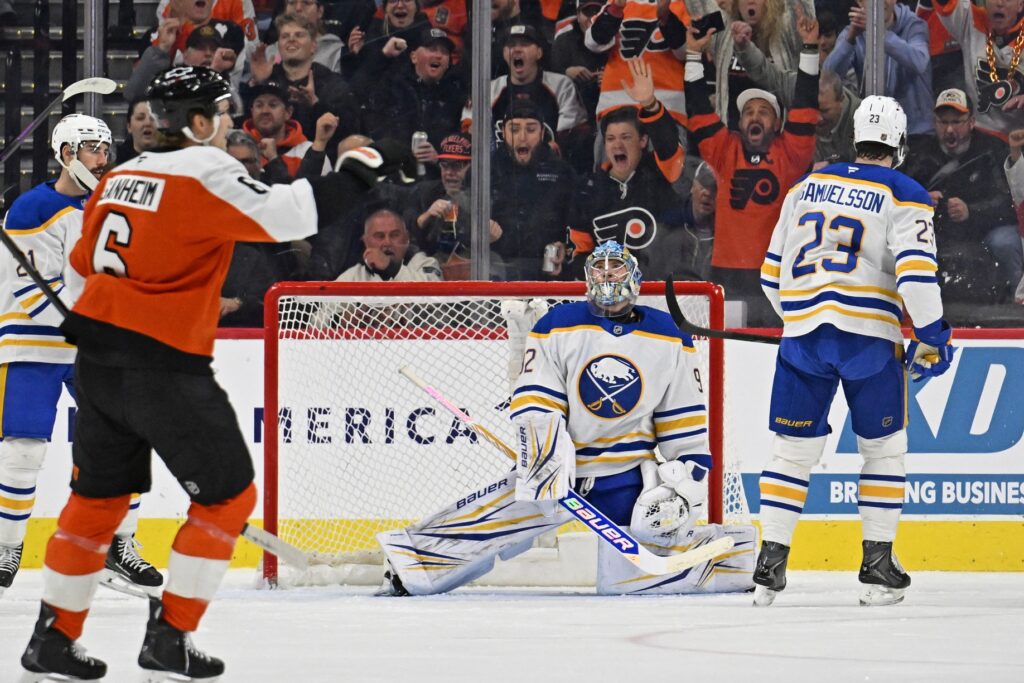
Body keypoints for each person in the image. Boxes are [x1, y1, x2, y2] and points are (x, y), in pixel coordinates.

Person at [18, 65, 412, 680]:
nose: (228, 121)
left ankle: (52, 639)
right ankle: (172, 635)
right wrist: (363, 166)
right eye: (221, 112)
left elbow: (79, 256)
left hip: (96, 358)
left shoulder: (119, 175)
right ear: (198, 123)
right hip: (163, 360)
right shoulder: (206, 170)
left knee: (95, 501)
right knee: (230, 495)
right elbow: (293, 216)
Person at [377, 241, 755, 597]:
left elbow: (684, 425)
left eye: (616, 272)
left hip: (629, 480)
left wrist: (682, 485)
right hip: (565, 474)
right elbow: (536, 402)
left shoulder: (668, 335)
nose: (608, 280)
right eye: (600, 272)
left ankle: (735, 559)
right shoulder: (558, 324)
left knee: (625, 580)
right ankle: (408, 565)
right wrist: (544, 459)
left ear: (634, 278)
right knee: (489, 521)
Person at [755, 96, 955, 607]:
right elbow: (915, 274)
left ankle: (770, 564)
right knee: (883, 450)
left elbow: (769, 275)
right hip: (867, 341)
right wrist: (933, 335)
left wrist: (804, 320)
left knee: (791, 453)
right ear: (900, 144)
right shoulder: (905, 191)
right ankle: (876, 567)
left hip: (801, 338)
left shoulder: (806, 184)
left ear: (856, 139)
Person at [0, 114, 163, 600]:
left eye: (106, 148)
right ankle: (7, 548)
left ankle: (119, 544)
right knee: (23, 450)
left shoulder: (110, 208)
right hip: (34, 342)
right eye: (93, 147)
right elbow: (29, 287)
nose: (103, 156)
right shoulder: (32, 207)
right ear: (67, 153)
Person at [684, 20, 818, 324]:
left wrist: (809, 49)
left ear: (777, 124)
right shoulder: (724, 150)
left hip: (776, 276)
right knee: (727, 355)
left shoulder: (791, 153)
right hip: (726, 275)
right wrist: (693, 56)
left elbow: (806, 103)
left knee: (772, 353)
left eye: (763, 112)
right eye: (748, 112)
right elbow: (697, 110)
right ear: (739, 121)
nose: (754, 116)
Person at [569, 59, 686, 280]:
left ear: (642, 141)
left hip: (660, 286)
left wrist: (650, 103)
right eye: (611, 139)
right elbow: (580, 252)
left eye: (626, 137)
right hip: (610, 291)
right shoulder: (588, 189)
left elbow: (669, 145)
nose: (617, 145)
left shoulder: (660, 173)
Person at [905, 89, 1022, 304]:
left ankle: (1018, 304)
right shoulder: (919, 153)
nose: (950, 129)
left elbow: (1010, 203)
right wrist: (919, 199)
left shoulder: (992, 150)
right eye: (943, 122)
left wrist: (971, 211)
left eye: (957, 122)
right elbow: (897, 196)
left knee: (1006, 242)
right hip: (936, 233)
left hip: (986, 230)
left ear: (971, 122)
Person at [489, 101, 576, 280]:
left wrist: (565, 248)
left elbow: (577, 224)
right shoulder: (486, 171)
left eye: (530, 130)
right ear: (503, 132)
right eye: (514, 130)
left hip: (547, 273)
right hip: (497, 271)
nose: (522, 138)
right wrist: (481, 235)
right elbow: (464, 221)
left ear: (542, 133)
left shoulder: (562, 172)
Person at [824, 0, 933, 141]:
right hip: (876, 134)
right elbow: (828, 79)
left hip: (916, 132)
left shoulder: (914, 25)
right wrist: (849, 40)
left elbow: (919, 62)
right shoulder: (852, 32)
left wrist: (878, 32)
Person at [930, 0, 1024, 137]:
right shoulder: (971, 19)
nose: (999, 3)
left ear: (1020, 5)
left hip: (1019, 135)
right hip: (978, 135)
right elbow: (946, 4)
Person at [240, 81, 334, 181]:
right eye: (259, 105)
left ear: (288, 112)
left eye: (273, 105)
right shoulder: (236, 147)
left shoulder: (309, 152)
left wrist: (273, 159)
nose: (265, 111)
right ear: (252, 112)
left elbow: (313, 194)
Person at [335, 209, 442, 282]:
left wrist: (390, 267)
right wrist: (340, 316)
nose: (387, 242)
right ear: (366, 241)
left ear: (407, 238)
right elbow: (324, 313)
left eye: (395, 235)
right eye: (380, 236)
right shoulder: (354, 276)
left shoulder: (424, 264)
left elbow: (436, 295)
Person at [116, 99, 159, 163]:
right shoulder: (116, 166)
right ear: (129, 126)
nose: (148, 123)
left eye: (153, 118)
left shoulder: (175, 160)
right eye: (140, 118)